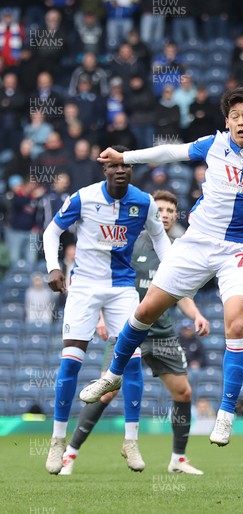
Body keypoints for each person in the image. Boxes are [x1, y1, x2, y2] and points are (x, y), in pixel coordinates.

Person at [78, 87, 243, 451]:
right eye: (234, 116)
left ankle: (226, 414)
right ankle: (111, 375)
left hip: (241, 250)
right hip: (198, 242)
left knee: (235, 322)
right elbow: (170, 152)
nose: (240, 122)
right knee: (145, 311)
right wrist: (126, 155)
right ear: (227, 122)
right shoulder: (213, 145)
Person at [59, 190, 210, 476]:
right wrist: (102, 316)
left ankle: (178, 458)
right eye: (160, 209)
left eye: (169, 210)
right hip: (127, 332)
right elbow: (104, 280)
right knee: (105, 393)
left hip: (163, 334)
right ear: (152, 212)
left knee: (183, 392)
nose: (164, 214)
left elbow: (181, 295)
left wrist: (197, 315)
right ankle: (70, 453)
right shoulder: (128, 242)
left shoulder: (177, 250)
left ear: (176, 215)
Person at [42, 146, 172, 475]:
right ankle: (58, 440)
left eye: (124, 167)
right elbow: (51, 231)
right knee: (71, 362)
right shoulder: (83, 198)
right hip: (83, 287)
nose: (119, 171)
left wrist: (173, 274)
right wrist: (53, 267)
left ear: (131, 170)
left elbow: (161, 240)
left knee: (132, 363)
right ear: (104, 171)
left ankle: (131, 441)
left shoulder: (143, 203)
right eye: (113, 167)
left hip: (122, 289)